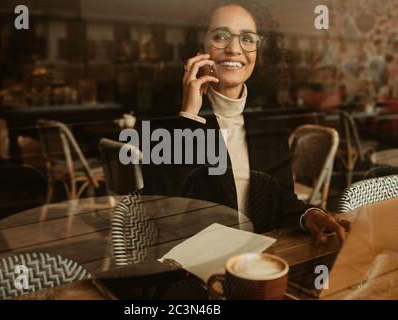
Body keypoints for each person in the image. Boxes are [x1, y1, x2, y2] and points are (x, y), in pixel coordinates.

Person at [143, 0, 349, 243]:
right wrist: (189, 115)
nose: (234, 49)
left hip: (259, 261)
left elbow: (280, 198)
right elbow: (166, 211)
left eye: (248, 38)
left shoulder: (267, 122)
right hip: (192, 267)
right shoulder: (168, 119)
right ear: (201, 48)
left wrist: (309, 214)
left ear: (256, 52)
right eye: (221, 36)